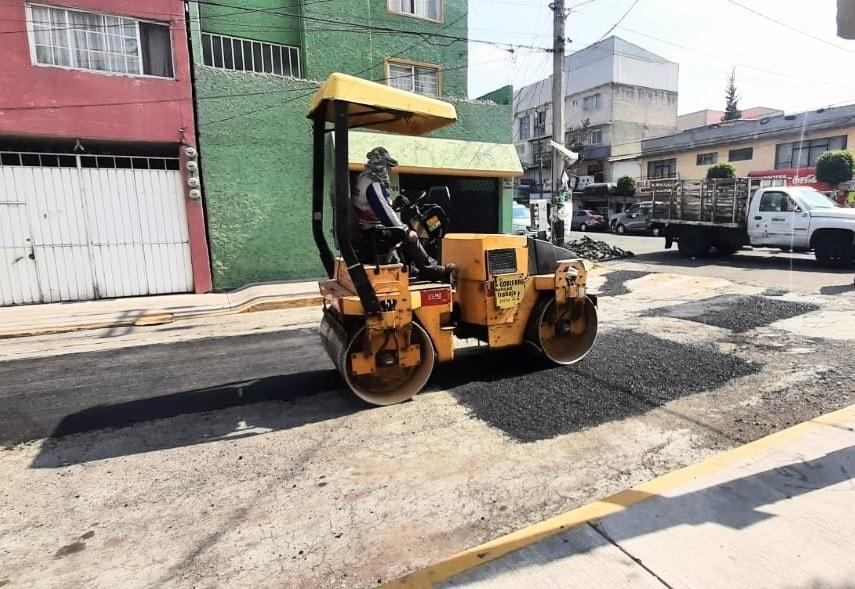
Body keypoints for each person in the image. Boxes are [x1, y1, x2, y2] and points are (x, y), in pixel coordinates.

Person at [352, 147, 456, 283]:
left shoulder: (363, 177)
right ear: (380, 165)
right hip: (374, 232)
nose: (389, 170)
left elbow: (375, 206)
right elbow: (386, 215)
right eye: (387, 167)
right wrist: (404, 230)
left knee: (404, 231)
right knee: (411, 235)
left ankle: (412, 268)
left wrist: (394, 204)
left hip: (366, 228)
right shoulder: (373, 184)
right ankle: (432, 270)